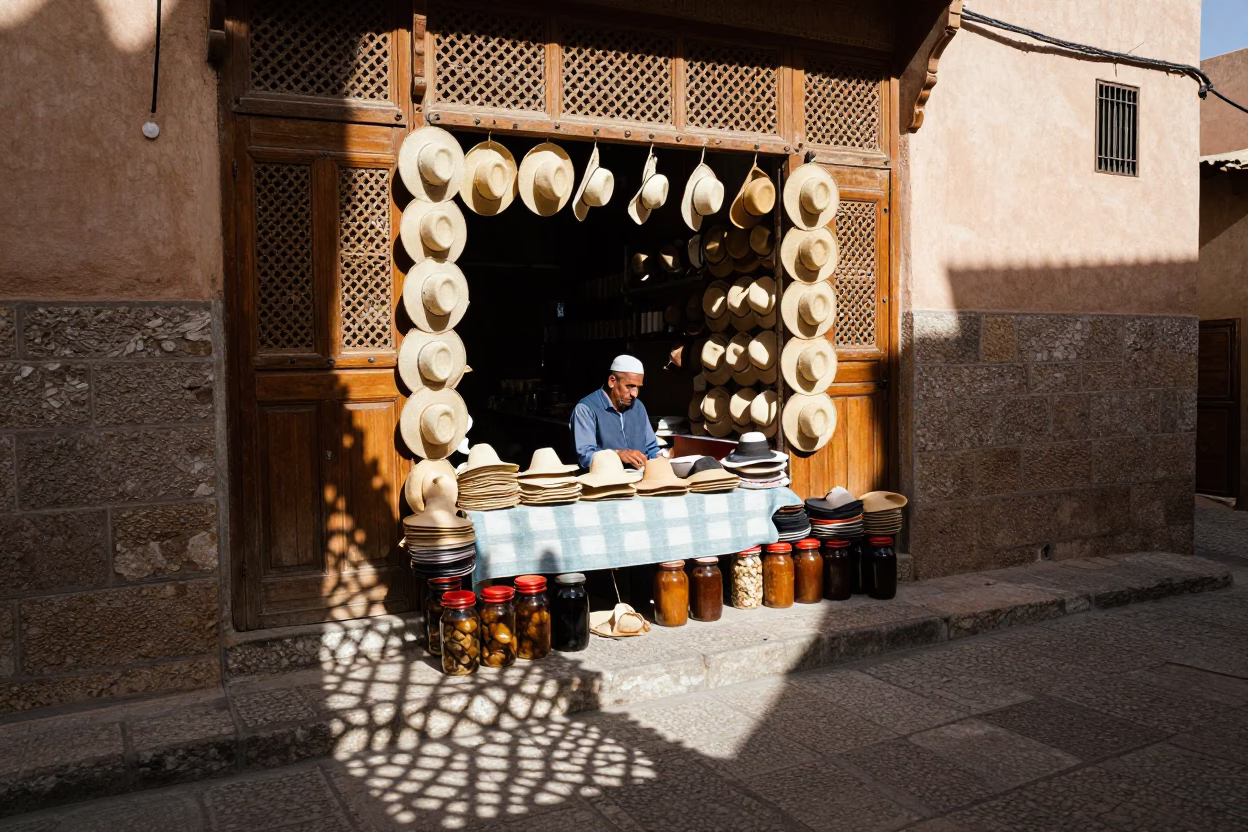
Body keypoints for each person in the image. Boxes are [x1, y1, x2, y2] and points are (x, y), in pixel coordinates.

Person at [570, 355, 660, 469]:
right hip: (604, 483)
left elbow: (651, 448)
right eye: (630, 386)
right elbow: (585, 457)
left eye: (638, 387)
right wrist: (617, 455)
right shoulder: (586, 409)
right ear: (612, 381)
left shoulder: (638, 407)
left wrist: (662, 459)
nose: (635, 394)